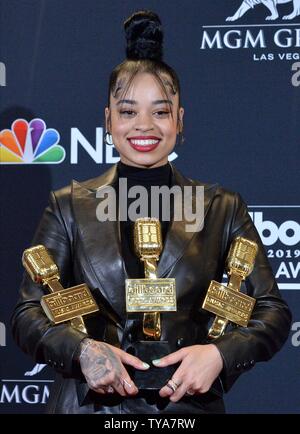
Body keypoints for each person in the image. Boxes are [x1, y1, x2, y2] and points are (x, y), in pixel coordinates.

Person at [11, 10, 291, 414]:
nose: (144, 126)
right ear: (108, 121)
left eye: (160, 112)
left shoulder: (221, 207)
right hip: (90, 407)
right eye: (127, 111)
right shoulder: (68, 205)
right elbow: (27, 313)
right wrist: (83, 351)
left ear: (180, 121)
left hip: (186, 409)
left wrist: (219, 356)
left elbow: (272, 311)